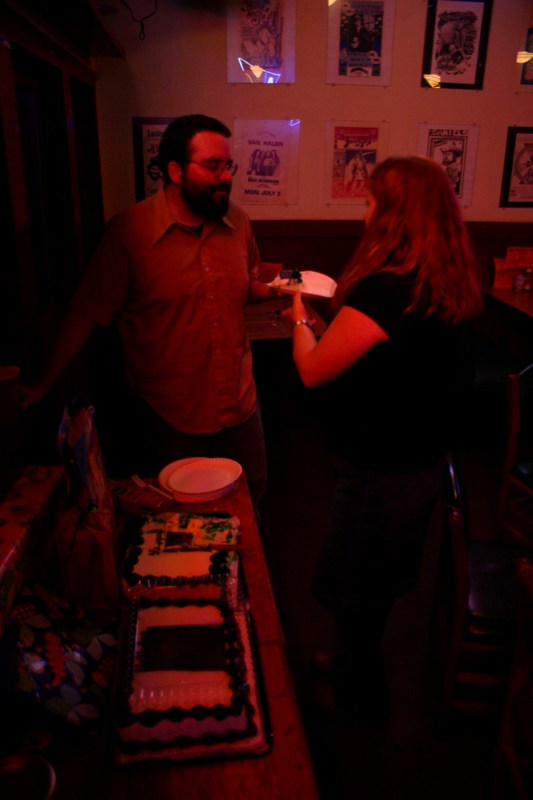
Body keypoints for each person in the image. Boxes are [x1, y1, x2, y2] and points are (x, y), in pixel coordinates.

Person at [282, 156, 482, 721]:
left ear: (393, 216)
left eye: (370, 202)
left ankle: (366, 694)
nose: (364, 213)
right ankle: (357, 662)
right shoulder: (445, 285)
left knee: (345, 585)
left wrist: (296, 316)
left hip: (380, 471)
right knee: (379, 578)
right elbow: (388, 364)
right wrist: (325, 332)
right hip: (422, 464)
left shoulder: (384, 291)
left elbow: (314, 371)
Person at [22, 114, 276, 507]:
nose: (226, 176)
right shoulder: (130, 232)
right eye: (213, 166)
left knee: (252, 501)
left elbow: (244, 286)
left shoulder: (238, 222)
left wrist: (289, 294)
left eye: (229, 166)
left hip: (242, 408)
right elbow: (86, 311)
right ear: (174, 170)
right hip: (171, 417)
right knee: (181, 523)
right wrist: (43, 382)